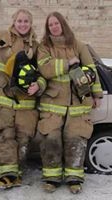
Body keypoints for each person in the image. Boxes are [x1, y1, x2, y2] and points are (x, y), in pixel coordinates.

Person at [37, 11, 103, 194]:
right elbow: (45, 68)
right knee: (51, 139)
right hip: (52, 103)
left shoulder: (78, 45)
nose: (54, 27)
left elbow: (91, 70)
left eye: (56, 23)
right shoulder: (44, 47)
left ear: (63, 24)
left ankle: (74, 178)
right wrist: (68, 63)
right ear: (47, 28)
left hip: (78, 102)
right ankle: (52, 178)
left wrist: (96, 94)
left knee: (76, 139)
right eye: (50, 25)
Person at [0, 9, 46, 189]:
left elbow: (44, 73)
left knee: (22, 140)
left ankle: (16, 175)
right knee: (4, 137)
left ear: (31, 23)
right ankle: (6, 176)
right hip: (2, 99)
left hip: (26, 104)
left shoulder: (36, 47)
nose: (22, 24)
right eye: (19, 21)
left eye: (26, 21)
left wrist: (39, 85)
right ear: (13, 21)